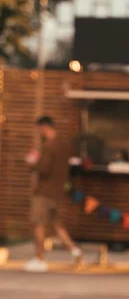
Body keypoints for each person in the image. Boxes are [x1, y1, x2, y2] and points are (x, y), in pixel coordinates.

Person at [24, 116, 82, 272]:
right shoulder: (64, 145)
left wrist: (31, 163)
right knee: (57, 225)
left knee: (38, 224)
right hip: (58, 191)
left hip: (44, 191)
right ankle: (74, 251)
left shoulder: (48, 146)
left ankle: (40, 259)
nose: (39, 133)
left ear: (44, 127)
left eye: (40, 129)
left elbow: (43, 168)